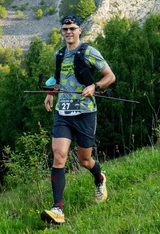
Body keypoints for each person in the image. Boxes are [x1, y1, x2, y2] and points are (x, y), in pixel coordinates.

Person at [40, 14, 116, 225]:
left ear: (80, 30)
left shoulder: (89, 52)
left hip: (85, 113)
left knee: (84, 161)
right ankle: (58, 209)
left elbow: (110, 76)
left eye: (72, 28)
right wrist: (50, 93)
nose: (69, 32)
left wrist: (94, 87)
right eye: (65, 29)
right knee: (59, 156)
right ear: (62, 32)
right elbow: (58, 79)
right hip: (63, 114)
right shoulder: (59, 54)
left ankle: (99, 177)